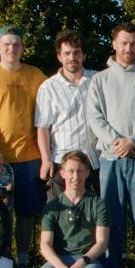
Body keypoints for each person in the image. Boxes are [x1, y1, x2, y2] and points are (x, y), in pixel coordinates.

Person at [86, 22, 135, 268]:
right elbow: (95, 118)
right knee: (111, 216)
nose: (128, 48)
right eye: (124, 42)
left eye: (133, 43)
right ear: (114, 44)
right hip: (109, 158)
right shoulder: (99, 79)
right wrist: (118, 142)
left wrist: (133, 140)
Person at [0, 25, 46, 268]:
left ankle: (24, 263)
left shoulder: (35, 75)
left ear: (22, 48)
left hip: (30, 157)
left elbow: (46, 115)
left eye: (16, 44)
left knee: (27, 213)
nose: (11, 48)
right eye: (6, 44)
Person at [35, 29, 100, 199]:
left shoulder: (97, 80)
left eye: (77, 53)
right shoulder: (48, 87)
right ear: (59, 56)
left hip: (93, 162)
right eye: (67, 53)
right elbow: (43, 128)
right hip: (60, 165)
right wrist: (46, 160)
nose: (72, 57)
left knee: (94, 219)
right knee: (61, 220)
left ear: (84, 55)